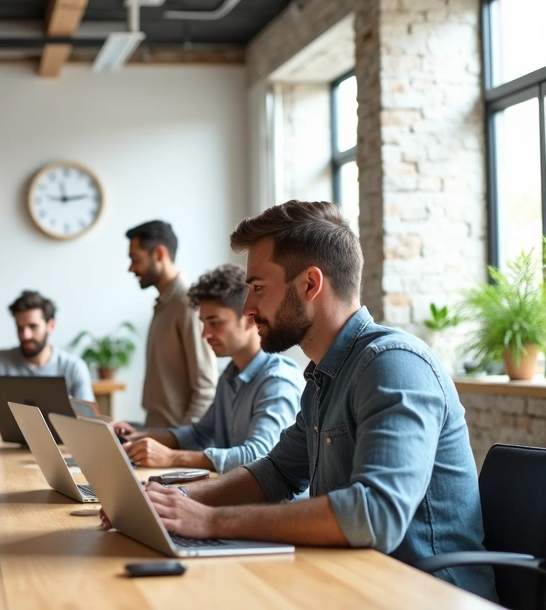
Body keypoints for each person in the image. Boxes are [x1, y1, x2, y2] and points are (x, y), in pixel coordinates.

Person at [103, 201, 495, 600]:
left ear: (310, 283)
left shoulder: (393, 366)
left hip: (423, 594)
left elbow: (376, 515)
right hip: (350, 582)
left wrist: (212, 522)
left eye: (257, 288)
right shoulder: (324, 376)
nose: (248, 308)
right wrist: (177, 500)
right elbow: (277, 472)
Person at [115, 264, 302, 473]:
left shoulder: (277, 381)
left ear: (250, 319)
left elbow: (258, 455)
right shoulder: (229, 377)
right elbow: (198, 434)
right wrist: (140, 437)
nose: (205, 334)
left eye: (215, 323)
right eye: (204, 323)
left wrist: (171, 457)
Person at [126, 220, 217, 428]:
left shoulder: (188, 304)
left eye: (135, 258)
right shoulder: (165, 303)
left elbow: (205, 388)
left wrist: (181, 443)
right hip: (158, 436)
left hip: (173, 446)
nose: (131, 268)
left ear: (159, 254)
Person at [0, 291, 94, 432]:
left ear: (51, 325)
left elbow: (88, 419)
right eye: (20, 328)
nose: (25, 335)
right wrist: (9, 428)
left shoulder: (74, 367)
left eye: (33, 326)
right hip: (5, 450)